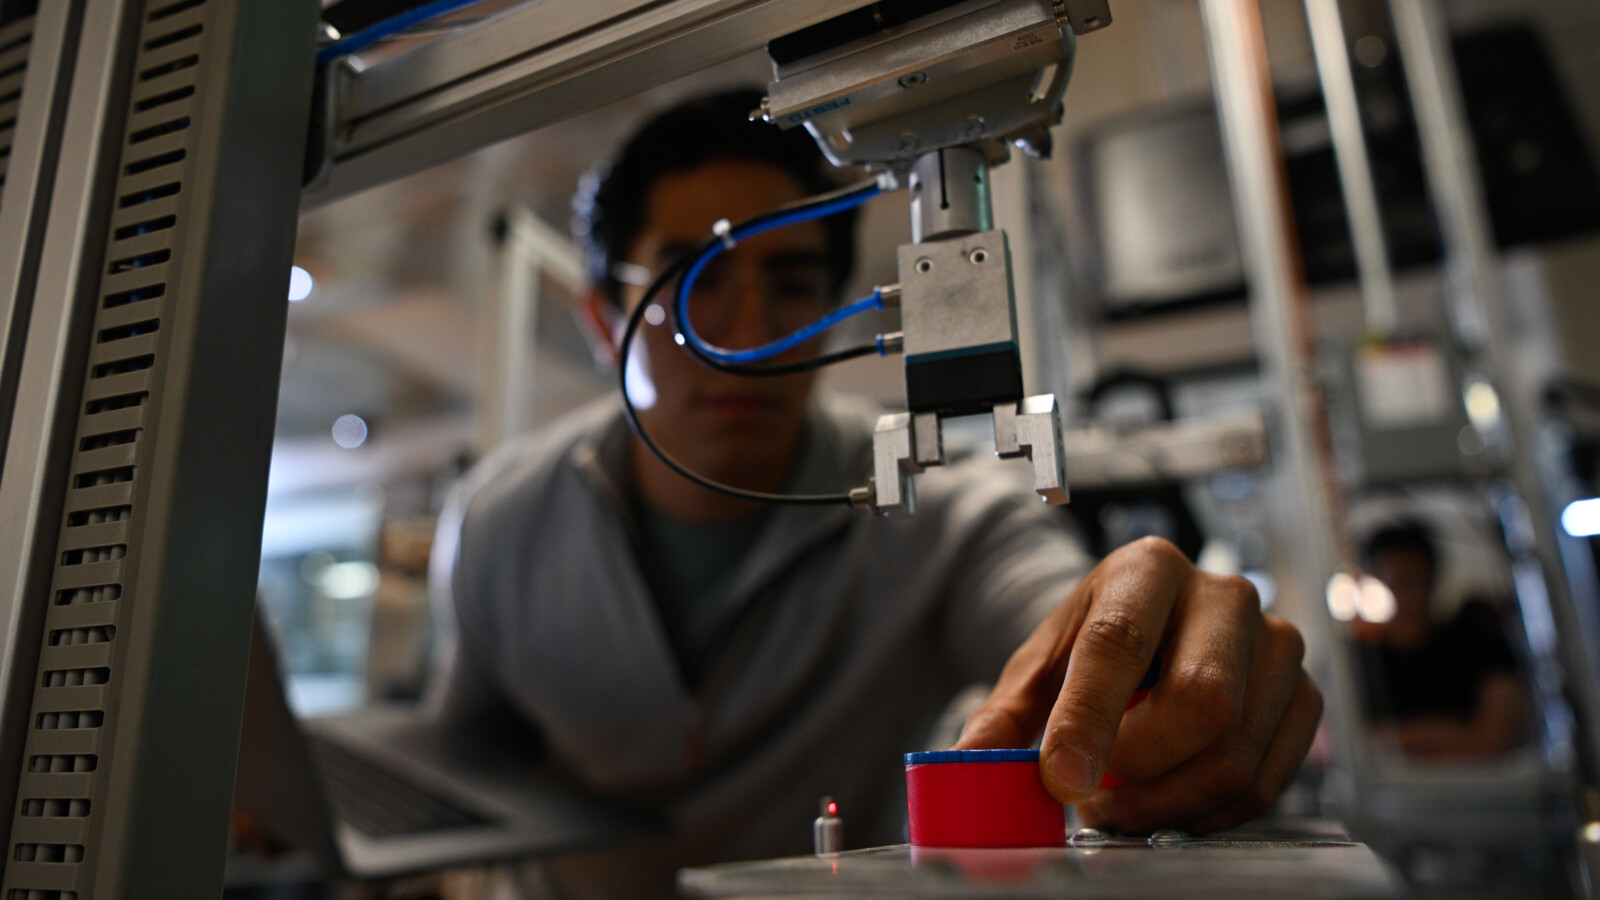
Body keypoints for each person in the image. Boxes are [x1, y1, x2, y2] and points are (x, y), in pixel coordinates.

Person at [426, 89, 1321, 898]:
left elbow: (1057, 624)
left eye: (792, 285)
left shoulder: (935, 510)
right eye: (692, 282)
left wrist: (1156, 651)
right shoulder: (502, 519)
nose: (750, 333)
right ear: (601, 317)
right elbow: (461, 764)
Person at [1354, 521, 1526, 759]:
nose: (1407, 595)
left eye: (1415, 580)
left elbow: (1496, 738)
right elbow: (1349, 746)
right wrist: (1441, 734)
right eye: (1396, 582)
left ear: (1432, 578)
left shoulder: (1479, 644)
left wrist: (1401, 740)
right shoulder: (1356, 662)